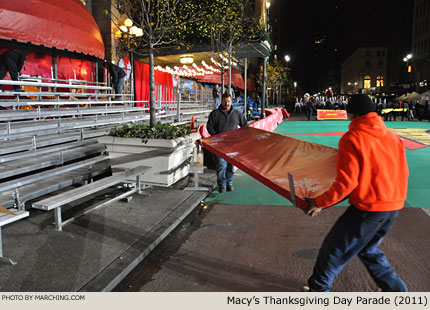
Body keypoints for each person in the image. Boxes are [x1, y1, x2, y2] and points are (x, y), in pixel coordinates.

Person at [303, 94, 409, 292]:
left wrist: (320, 202)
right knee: (367, 249)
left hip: (368, 207)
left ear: (350, 113)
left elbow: (347, 182)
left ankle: (318, 290)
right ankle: (397, 292)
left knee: (334, 249)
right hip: (393, 205)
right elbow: (403, 171)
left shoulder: (352, 138)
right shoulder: (393, 138)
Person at [206, 93, 247, 193]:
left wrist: (241, 137)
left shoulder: (237, 114)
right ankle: (222, 185)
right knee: (221, 165)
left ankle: (229, 183)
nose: (226, 103)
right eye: (225, 101)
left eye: (228, 101)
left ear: (231, 101)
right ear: (221, 101)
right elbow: (209, 126)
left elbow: (245, 126)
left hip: (232, 146)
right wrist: (216, 136)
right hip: (219, 146)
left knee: (230, 166)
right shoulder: (215, 114)